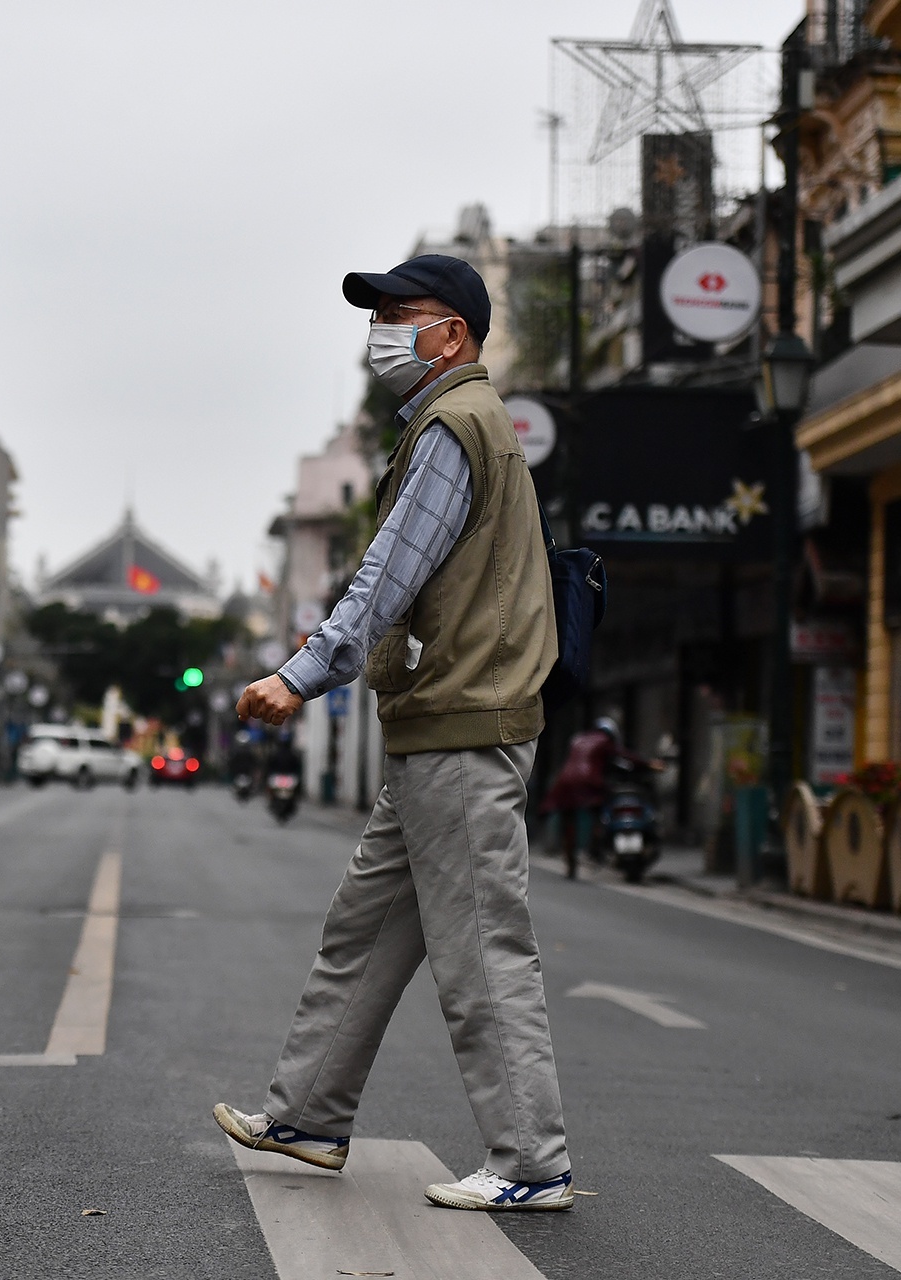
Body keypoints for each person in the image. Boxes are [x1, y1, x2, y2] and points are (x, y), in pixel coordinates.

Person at [216, 254, 574, 1213]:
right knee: (363, 933)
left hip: (464, 726)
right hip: (435, 729)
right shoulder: (450, 424)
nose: (378, 334)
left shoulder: (456, 427)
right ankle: (307, 1115)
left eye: (397, 316)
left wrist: (300, 676)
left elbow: (388, 577)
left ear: (450, 333)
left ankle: (532, 1164)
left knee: (482, 952)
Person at [544, 717, 665, 879]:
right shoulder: (605, 741)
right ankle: (595, 848)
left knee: (568, 821)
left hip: (565, 780)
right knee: (599, 811)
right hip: (589, 780)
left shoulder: (578, 739)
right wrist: (648, 763)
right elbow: (623, 756)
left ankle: (570, 862)